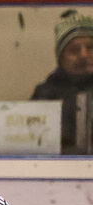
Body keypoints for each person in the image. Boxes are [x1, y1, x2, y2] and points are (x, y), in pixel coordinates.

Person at [32, 8, 93, 154]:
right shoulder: (45, 93)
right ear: (61, 59)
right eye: (74, 50)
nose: (83, 55)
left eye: (90, 48)